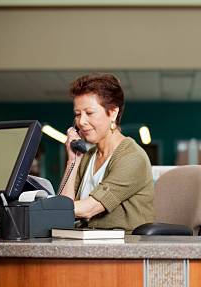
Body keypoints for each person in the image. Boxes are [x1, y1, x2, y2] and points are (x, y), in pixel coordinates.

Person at [59, 73, 154, 231]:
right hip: (86, 244)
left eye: (89, 113)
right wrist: (72, 161)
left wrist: (40, 212)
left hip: (123, 249)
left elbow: (88, 209)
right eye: (77, 114)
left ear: (113, 113)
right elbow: (63, 205)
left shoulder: (132, 157)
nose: (81, 122)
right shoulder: (87, 156)